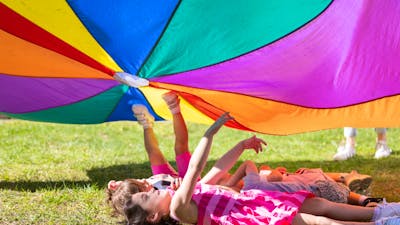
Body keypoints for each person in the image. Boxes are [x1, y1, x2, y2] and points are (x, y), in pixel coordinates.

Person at [123, 113, 400, 225]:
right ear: (154, 216)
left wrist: (242, 146)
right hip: (256, 218)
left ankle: (379, 211)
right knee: (321, 222)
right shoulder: (179, 210)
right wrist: (209, 134)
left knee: (322, 206)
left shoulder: (188, 194)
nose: (153, 189)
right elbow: (194, 168)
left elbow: (218, 170)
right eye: (148, 196)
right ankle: (383, 223)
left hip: (257, 202)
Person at [223, 160, 383, 206]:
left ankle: (364, 200)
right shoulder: (253, 184)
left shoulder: (250, 196)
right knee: (309, 174)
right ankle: (348, 177)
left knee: (343, 197)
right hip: (318, 188)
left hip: (313, 197)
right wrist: (272, 170)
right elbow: (249, 164)